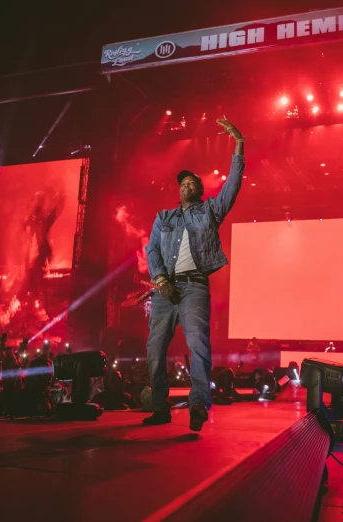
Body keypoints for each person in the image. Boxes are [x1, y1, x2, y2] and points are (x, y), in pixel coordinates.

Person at [142, 116, 245, 431]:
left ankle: (199, 404)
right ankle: (161, 407)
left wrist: (239, 145)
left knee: (198, 344)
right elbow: (152, 250)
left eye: (192, 182)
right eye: (182, 183)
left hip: (194, 287)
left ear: (200, 190)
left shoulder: (210, 211)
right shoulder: (164, 217)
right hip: (165, 289)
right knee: (155, 350)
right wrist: (160, 280)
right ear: (178, 190)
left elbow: (231, 186)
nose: (187, 185)